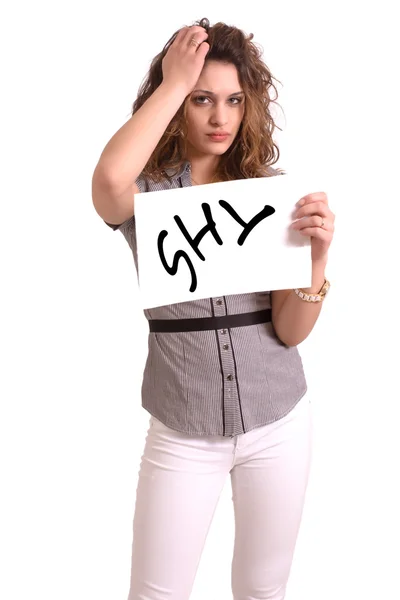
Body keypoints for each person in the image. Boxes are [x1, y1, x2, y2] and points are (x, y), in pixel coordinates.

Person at [92, 17, 335, 600]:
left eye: (232, 100)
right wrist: (174, 84)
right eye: (202, 99)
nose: (220, 117)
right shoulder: (147, 195)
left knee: (263, 589)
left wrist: (318, 261)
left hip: (279, 420)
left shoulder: (268, 191)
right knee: (156, 593)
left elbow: (290, 332)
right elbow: (106, 182)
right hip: (183, 426)